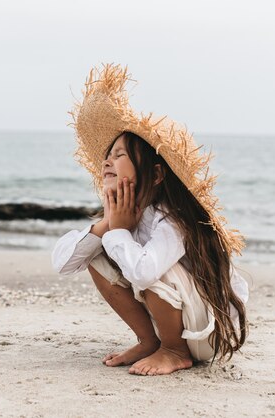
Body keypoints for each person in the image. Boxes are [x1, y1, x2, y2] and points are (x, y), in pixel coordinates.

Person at [51, 64, 249, 376]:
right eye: (109, 154)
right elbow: (63, 264)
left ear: (156, 174)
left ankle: (173, 351)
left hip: (206, 333)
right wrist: (106, 226)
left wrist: (117, 231)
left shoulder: (174, 219)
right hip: (179, 320)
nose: (107, 161)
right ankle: (149, 341)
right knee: (97, 255)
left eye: (119, 155)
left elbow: (144, 274)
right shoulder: (127, 217)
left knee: (151, 265)